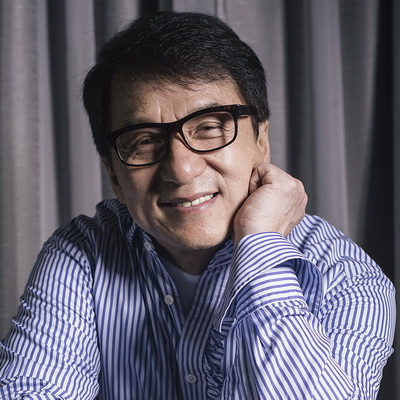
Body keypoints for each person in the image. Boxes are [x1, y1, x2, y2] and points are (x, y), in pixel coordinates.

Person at [0, 11, 395, 400]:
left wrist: (260, 245)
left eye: (208, 127)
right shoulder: (82, 253)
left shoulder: (347, 277)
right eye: (145, 140)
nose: (182, 169)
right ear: (115, 176)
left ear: (261, 141)